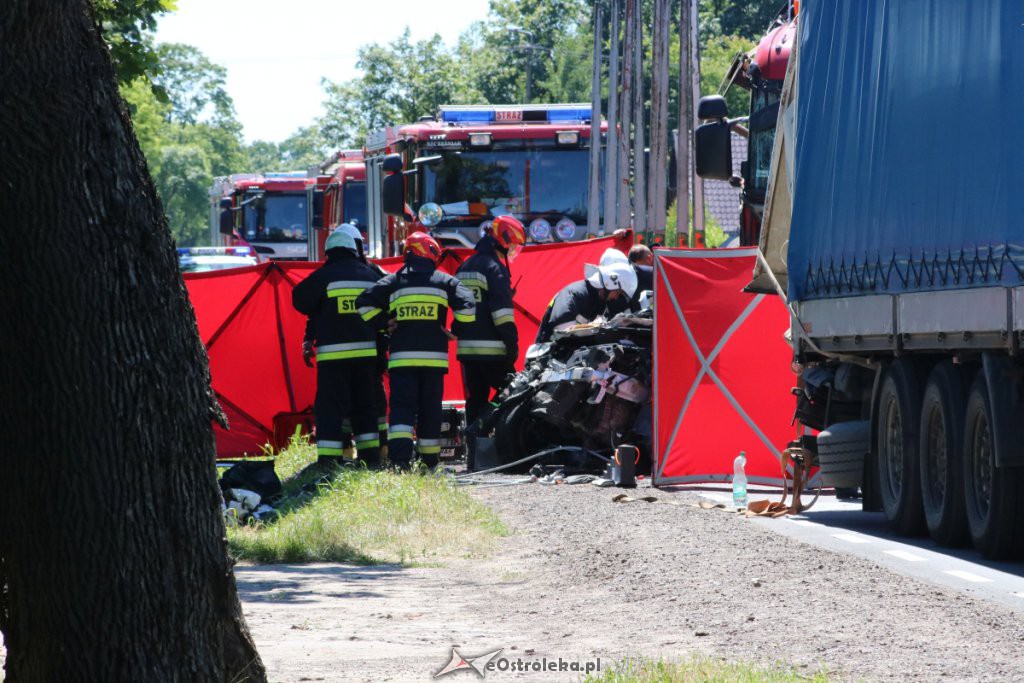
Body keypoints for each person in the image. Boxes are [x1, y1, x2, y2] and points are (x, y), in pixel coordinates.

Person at [356, 232, 476, 469]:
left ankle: (400, 462)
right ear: (431, 251)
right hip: (434, 361)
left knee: (402, 410)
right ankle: (429, 462)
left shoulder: (393, 281)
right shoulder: (444, 281)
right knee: (430, 410)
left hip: (402, 360)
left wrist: (384, 323)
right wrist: (456, 330)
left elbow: (363, 303)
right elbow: (468, 305)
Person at [291, 228, 382, 469]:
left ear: (329, 252)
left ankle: (329, 460)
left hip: (333, 358)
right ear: (354, 249)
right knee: (365, 406)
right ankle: (370, 458)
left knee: (331, 407)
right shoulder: (370, 276)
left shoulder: (324, 276)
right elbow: (386, 308)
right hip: (365, 356)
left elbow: (299, 299)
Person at [454, 216, 527, 468]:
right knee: (510, 394)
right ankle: (490, 436)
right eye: (514, 245)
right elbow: (502, 314)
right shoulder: (495, 269)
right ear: (503, 241)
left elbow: (462, 308)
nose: (514, 251)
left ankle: (474, 456)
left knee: (476, 399)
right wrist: (512, 344)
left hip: (467, 350)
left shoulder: (465, 266)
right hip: (494, 350)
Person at [534, 260, 638, 344]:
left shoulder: (600, 301)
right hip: (548, 358)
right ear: (610, 282)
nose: (616, 297)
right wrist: (596, 328)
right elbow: (562, 333)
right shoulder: (574, 294)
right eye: (618, 292)